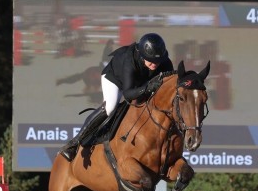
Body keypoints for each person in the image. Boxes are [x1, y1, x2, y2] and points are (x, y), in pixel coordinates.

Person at [59, 33, 174, 161]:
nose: (155, 64)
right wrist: (147, 88)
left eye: (158, 61)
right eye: (151, 60)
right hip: (114, 79)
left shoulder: (164, 61)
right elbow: (128, 93)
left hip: (139, 82)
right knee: (110, 107)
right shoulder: (129, 60)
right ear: (141, 54)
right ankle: (74, 143)